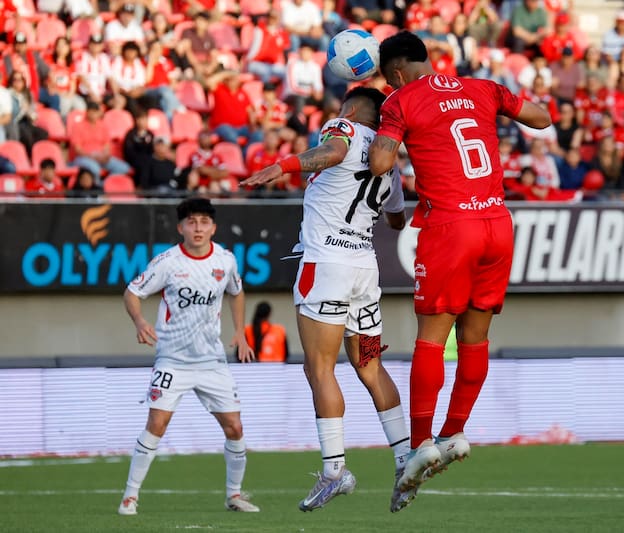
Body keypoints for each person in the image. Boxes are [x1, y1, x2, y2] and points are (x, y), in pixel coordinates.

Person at [368, 31, 552, 498]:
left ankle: (420, 443)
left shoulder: (400, 100)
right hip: (496, 222)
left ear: (393, 74)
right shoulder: (483, 88)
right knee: (476, 338)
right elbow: (542, 117)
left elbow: (378, 162)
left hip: (451, 225)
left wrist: (388, 139)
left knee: (431, 340)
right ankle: (455, 431)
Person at [242, 87, 414, 512]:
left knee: (319, 368)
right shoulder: (388, 163)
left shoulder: (343, 128)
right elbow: (397, 218)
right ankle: (405, 459)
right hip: (364, 274)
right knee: (370, 365)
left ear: (352, 110)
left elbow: (333, 151)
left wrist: (281, 166)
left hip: (325, 267)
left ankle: (335, 470)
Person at [118, 198, 260, 516]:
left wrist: (240, 332)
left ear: (214, 228)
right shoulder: (168, 262)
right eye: (192, 222)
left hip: (211, 361)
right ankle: (130, 496)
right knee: (157, 423)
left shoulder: (225, 260)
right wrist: (140, 322)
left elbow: (236, 292)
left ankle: (234, 496)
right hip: (172, 359)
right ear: (181, 227)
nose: (198, 228)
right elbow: (132, 292)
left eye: (204, 222)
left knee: (235, 427)